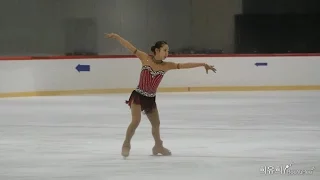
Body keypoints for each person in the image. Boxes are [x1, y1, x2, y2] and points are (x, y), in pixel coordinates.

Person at [104, 33, 216, 157]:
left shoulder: (167, 66)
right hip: (138, 96)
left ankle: (158, 146)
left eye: (168, 50)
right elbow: (130, 46)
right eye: (165, 50)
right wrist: (117, 37)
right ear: (157, 50)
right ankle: (126, 143)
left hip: (150, 99)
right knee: (136, 121)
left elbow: (184, 66)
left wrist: (202, 64)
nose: (167, 53)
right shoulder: (145, 58)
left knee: (156, 124)